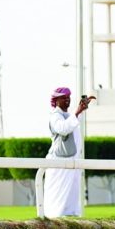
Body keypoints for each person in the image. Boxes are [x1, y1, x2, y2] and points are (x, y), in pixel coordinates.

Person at [43, 87, 94, 218]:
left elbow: (73, 125)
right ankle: (54, 221)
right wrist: (77, 112)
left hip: (72, 163)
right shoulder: (55, 116)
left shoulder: (67, 115)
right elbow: (63, 129)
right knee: (57, 198)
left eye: (69, 97)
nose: (67, 99)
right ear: (56, 100)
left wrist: (80, 109)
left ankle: (72, 217)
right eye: (64, 97)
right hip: (58, 164)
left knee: (72, 193)